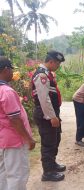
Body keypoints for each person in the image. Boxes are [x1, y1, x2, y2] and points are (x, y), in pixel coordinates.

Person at [0, 56, 36, 190]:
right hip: (14, 140)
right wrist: (29, 139)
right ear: (5, 69)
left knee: (3, 174)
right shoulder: (7, 92)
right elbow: (15, 120)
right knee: (17, 175)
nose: (12, 73)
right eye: (11, 70)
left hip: (3, 140)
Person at [32, 50, 66, 182]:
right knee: (48, 143)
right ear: (51, 62)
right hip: (45, 114)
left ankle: (52, 164)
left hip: (51, 112)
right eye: (58, 63)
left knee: (55, 139)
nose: (58, 66)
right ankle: (48, 172)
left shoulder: (48, 74)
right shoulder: (42, 75)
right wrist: (52, 116)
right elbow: (44, 98)